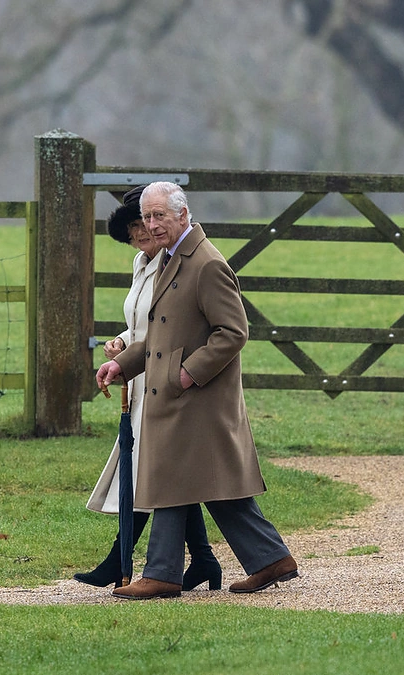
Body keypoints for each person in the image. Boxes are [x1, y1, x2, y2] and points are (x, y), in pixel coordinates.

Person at [95, 181, 298, 599]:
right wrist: (121, 364)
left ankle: (165, 573)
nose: (151, 226)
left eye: (160, 217)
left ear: (183, 215)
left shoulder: (205, 263)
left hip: (197, 396)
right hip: (173, 393)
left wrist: (187, 374)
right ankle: (266, 559)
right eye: (147, 217)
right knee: (194, 482)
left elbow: (234, 331)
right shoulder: (168, 259)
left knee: (180, 477)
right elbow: (157, 338)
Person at [74, 185, 222, 591]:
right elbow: (143, 324)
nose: (142, 235)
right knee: (163, 472)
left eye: (148, 225)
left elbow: (212, 330)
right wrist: (122, 344)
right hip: (143, 378)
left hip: (168, 381)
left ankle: (126, 562)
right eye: (135, 230)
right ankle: (204, 561)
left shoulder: (178, 267)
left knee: (154, 472)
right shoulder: (143, 264)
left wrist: (183, 371)